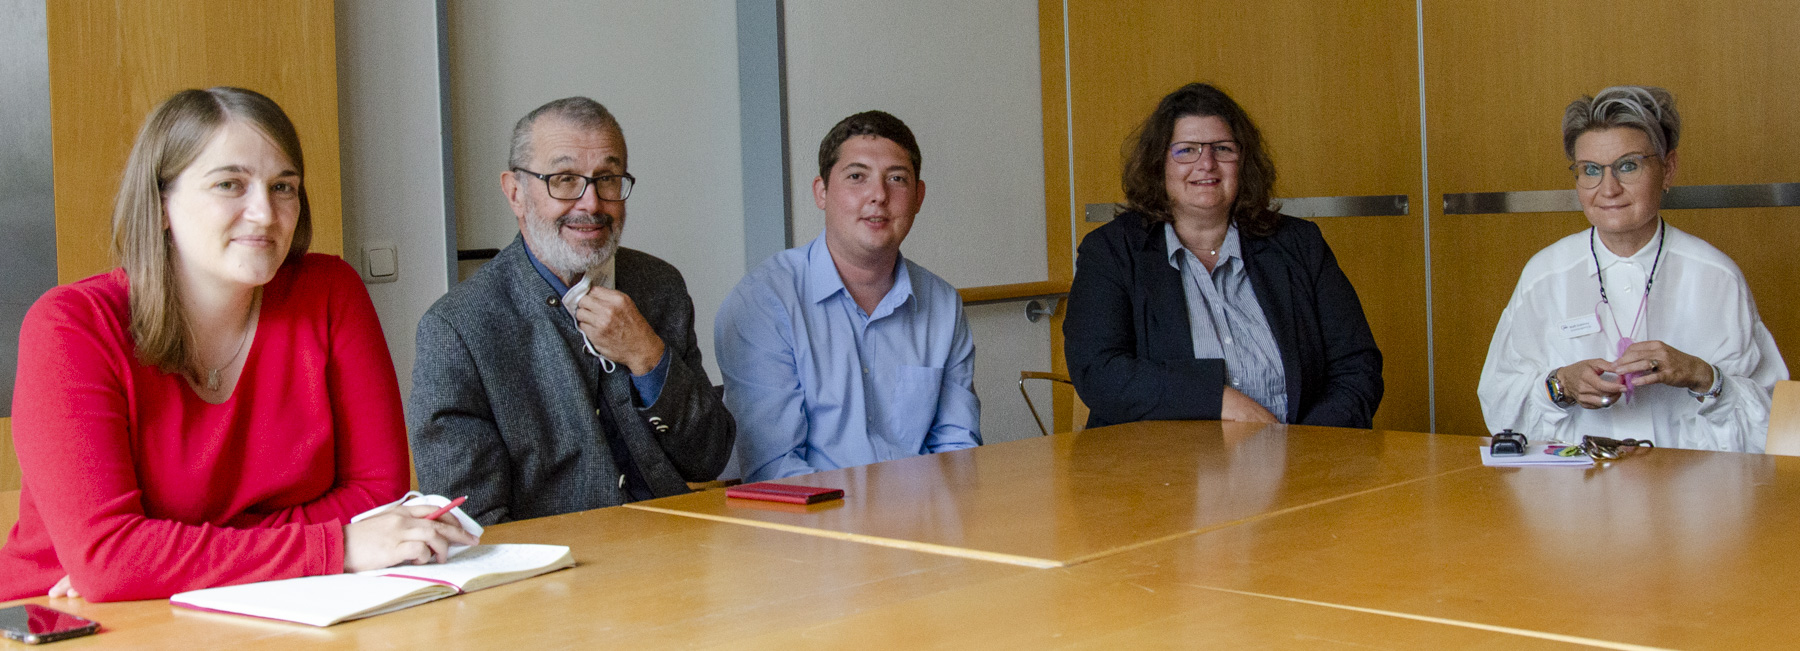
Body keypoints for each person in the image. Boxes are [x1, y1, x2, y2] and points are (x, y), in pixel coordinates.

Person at [0, 87, 473, 603]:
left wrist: (160, 558)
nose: (265, 214)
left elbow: (377, 498)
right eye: (230, 184)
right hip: (67, 620)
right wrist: (334, 546)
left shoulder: (330, 292)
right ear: (160, 206)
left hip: (277, 605)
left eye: (283, 187)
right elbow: (110, 563)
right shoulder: (71, 327)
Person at [409, 97, 733, 524]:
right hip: (556, 571)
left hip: (678, 539)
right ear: (515, 193)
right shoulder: (457, 330)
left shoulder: (660, 287)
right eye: (564, 180)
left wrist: (647, 356)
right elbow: (477, 525)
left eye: (608, 179)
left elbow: (709, 458)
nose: (591, 204)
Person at [1478, 86, 1786, 452]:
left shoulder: (1717, 277)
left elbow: (1773, 423)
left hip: (1692, 496)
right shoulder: (1544, 275)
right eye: (1590, 170)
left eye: (1628, 166)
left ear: (1668, 169)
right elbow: (1499, 405)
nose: (1608, 189)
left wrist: (1702, 376)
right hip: (1574, 494)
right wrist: (1560, 385)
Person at [1063, 82, 1383, 429]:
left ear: (1243, 163)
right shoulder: (1111, 252)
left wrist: (1309, 447)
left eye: (1223, 148)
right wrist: (1218, 398)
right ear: (1159, 165)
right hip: (1162, 475)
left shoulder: (1300, 244)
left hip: (1304, 468)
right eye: (1186, 150)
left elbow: (1356, 366)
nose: (1207, 164)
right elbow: (1100, 371)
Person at [716, 110, 980, 483]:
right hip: (808, 527)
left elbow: (958, 450)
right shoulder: (764, 302)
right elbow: (774, 469)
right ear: (821, 192)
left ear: (918, 197)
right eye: (857, 177)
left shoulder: (943, 304)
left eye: (897, 179)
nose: (878, 196)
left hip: (921, 524)